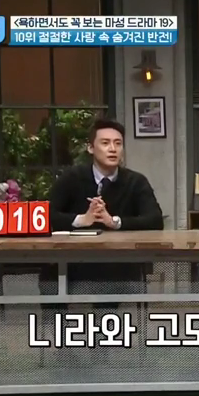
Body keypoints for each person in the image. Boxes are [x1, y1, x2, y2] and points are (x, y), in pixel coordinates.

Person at [41, 118, 164, 306]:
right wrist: (81, 220)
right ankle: (59, 325)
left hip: (116, 265)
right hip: (73, 262)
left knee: (108, 281)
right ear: (91, 148)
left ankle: (104, 324)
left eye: (118, 143)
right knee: (51, 279)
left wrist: (114, 222)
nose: (113, 149)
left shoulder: (135, 182)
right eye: (105, 143)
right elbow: (46, 216)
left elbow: (155, 220)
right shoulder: (71, 178)